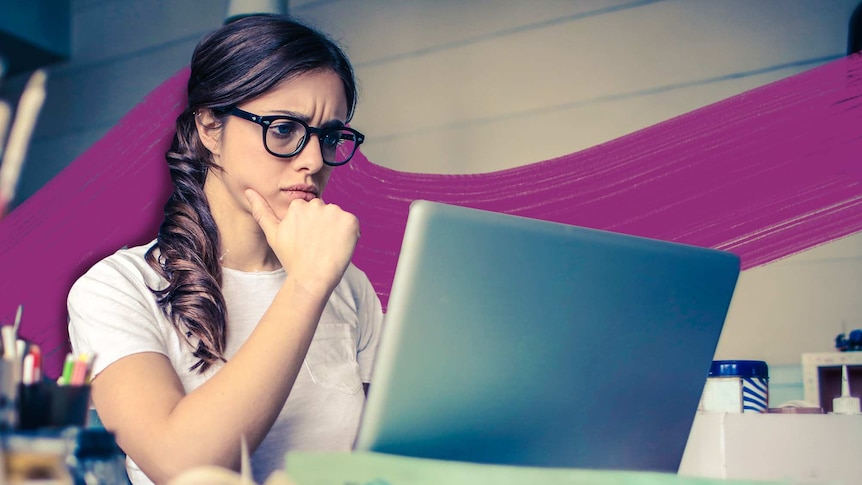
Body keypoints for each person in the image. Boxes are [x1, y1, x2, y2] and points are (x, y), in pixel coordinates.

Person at [67, 14, 383, 485]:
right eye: (282, 128)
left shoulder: (349, 285)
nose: (314, 160)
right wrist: (306, 286)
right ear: (211, 128)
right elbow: (182, 465)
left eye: (329, 136)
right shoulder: (116, 288)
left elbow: (386, 457)